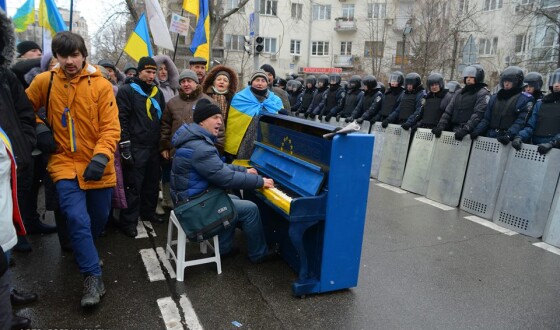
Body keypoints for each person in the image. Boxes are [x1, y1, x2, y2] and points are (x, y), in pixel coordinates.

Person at [26, 31, 120, 308]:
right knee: (76, 219)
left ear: (83, 55)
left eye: (74, 55)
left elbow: (111, 127)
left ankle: (87, 251)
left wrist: (101, 158)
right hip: (63, 162)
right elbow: (21, 109)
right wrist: (40, 127)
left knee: (98, 219)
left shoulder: (101, 85)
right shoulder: (45, 81)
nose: (69, 61)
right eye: (63, 55)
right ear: (56, 56)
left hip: (97, 163)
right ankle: (92, 276)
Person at [170, 99, 278, 263]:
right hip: (193, 207)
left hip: (189, 199)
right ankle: (259, 254)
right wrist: (259, 182)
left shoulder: (194, 140)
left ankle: (224, 249)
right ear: (202, 120)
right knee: (250, 208)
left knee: (232, 199)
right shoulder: (201, 147)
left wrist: (244, 170)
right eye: (215, 117)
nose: (220, 121)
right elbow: (226, 178)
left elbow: (218, 167)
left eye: (220, 117)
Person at [117, 56, 166, 237]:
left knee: (152, 184)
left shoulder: (157, 93)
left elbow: (162, 120)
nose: (151, 75)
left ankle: (148, 213)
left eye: (154, 72)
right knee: (133, 186)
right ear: (139, 72)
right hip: (136, 146)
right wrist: (125, 146)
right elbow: (121, 118)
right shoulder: (127, 91)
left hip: (153, 146)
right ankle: (128, 221)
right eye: (148, 72)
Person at [224, 70, 284, 160]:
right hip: (243, 144)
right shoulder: (239, 98)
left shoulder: (275, 101)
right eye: (257, 80)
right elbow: (232, 125)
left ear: (267, 83)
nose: (260, 83)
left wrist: (284, 115)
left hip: (266, 144)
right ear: (251, 82)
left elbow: (282, 124)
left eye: (263, 81)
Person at [470, 66, 533, 145]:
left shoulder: (524, 99)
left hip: (508, 139)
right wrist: (478, 130)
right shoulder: (494, 97)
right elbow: (486, 118)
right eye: (505, 81)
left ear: (517, 82)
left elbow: (521, 121)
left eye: (510, 81)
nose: (506, 83)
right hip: (491, 135)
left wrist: (509, 135)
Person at [432, 64, 489, 140]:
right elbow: (448, 111)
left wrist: (466, 129)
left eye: (471, 77)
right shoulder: (459, 92)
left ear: (478, 78)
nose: (468, 79)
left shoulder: (482, 93)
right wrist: (440, 126)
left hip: (468, 134)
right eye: (467, 77)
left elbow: (478, 114)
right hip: (453, 129)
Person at [513, 70, 560, 153]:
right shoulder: (541, 103)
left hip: (555, 151)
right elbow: (531, 126)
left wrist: (553, 143)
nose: (556, 85)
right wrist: (519, 137)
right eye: (554, 81)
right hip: (536, 147)